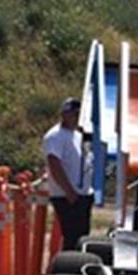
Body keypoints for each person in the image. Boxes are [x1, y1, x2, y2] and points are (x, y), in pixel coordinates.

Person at [44, 98, 93, 251]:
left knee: (82, 236)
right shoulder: (55, 136)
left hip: (82, 193)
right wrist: (69, 191)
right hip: (67, 195)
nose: (75, 117)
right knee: (72, 236)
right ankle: (67, 267)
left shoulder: (77, 135)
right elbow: (54, 164)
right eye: (71, 114)